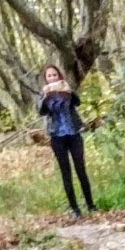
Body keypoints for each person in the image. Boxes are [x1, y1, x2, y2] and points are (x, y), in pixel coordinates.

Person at [36, 65, 96, 217]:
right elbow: (41, 111)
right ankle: (75, 209)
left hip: (73, 133)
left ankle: (90, 205)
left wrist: (69, 91)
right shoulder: (44, 94)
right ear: (46, 79)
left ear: (59, 76)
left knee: (81, 169)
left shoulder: (65, 89)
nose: (52, 78)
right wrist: (44, 96)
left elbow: (77, 102)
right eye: (49, 76)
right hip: (57, 136)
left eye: (55, 75)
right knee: (66, 173)